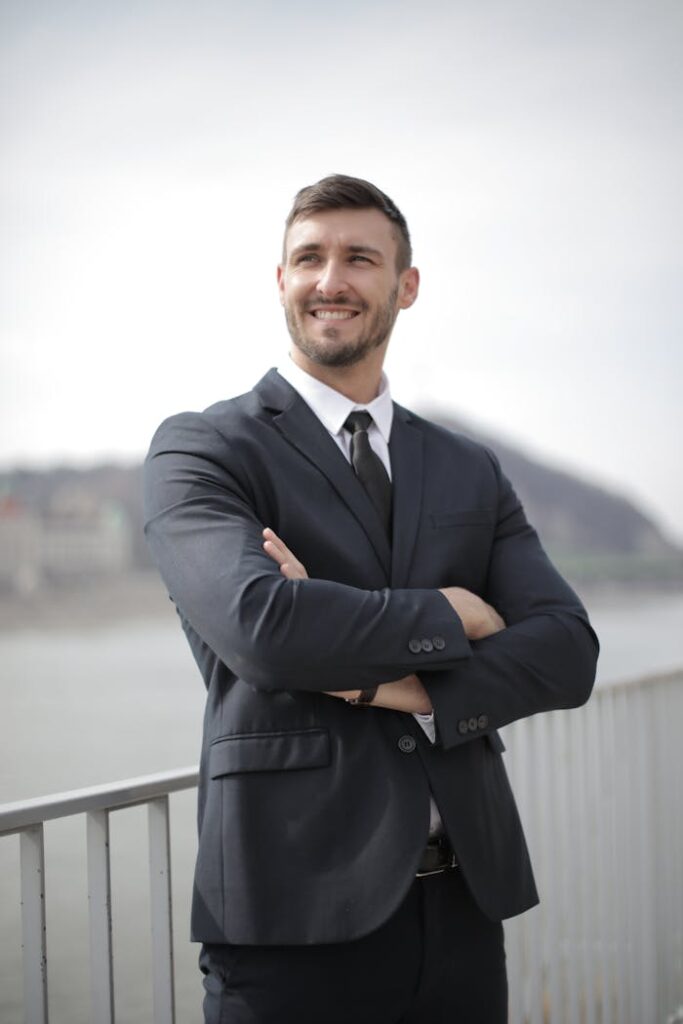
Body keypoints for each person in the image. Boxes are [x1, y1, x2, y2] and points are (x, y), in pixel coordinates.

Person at [143, 173, 598, 1023]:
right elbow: (264, 629)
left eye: (359, 257)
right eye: (307, 258)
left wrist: (368, 675)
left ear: (405, 285)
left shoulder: (468, 465)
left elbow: (568, 651)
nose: (330, 280)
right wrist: (454, 614)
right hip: (290, 918)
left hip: (464, 904)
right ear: (279, 281)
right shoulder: (203, 448)